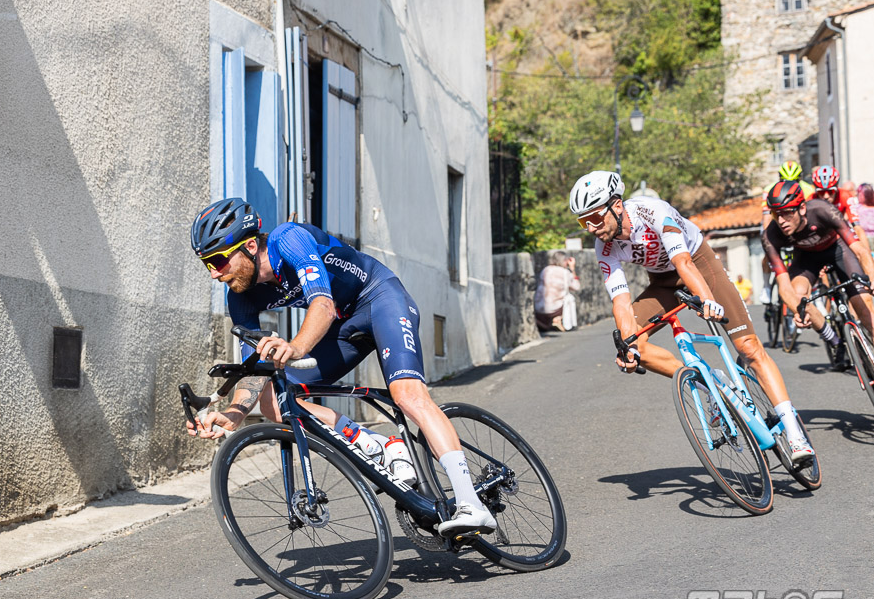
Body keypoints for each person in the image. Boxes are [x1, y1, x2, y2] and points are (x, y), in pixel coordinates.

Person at [185, 198, 496, 536]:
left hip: (380, 299)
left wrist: (296, 346)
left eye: (218, 260)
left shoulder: (288, 240)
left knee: (407, 395)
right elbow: (256, 367)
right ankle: (380, 446)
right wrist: (233, 415)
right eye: (207, 265)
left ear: (248, 245)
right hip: (346, 330)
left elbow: (323, 303)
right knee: (275, 399)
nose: (215, 274)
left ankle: (471, 504)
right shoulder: (240, 296)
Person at [569, 170, 815, 462]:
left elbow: (683, 261)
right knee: (633, 341)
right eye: (584, 222)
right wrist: (628, 345)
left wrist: (708, 300)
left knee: (748, 347)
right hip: (663, 282)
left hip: (699, 265)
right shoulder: (604, 246)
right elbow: (621, 303)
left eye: (595, 218)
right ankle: (709, 384)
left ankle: (794, 432)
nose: (591, 228)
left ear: (617, 205)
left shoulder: (652, 211)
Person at [762, 180, 874, 370]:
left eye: (787, 213)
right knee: (799, 299)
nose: (781, 221)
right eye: (775, 214)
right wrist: (797, 309)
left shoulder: (823, 210)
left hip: (838, 250)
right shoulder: (770, 235)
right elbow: (784, 286)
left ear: (802, 208)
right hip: (806, 258)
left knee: (864, 305)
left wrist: (871, 278)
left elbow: (861, 251)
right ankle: (835, 341)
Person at [760, 161, 815, 303]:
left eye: (795, 181)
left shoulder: (808, 190)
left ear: (800, 179)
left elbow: (808, 216)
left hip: (796, 225)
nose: (790, 184)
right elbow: (767, 217)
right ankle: (766, 286)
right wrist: (768, 240)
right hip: (775, 222)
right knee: (768, 249)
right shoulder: (769, 189)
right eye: (785, 181)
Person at [811, 165, 873, 257]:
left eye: (831, 191)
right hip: (820, 240)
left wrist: (867, 255)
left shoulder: (845, 196)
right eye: (821, 192)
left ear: (837, 188)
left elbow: (857, 228)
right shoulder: (811, 199)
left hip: (839, 237)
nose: (826, 196)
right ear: (816, 191)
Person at [534, 251, 580, 332]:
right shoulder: (565, 272)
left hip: (538, 309)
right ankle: (560, 320)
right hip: (554, 310)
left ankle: (545, 322)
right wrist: (572, 269)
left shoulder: (545, 270)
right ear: (564, 261)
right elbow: (577, 287)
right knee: (570, 298)